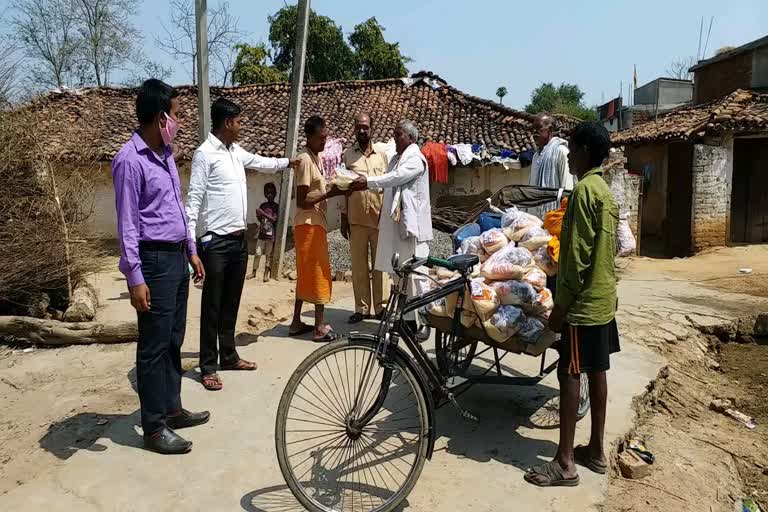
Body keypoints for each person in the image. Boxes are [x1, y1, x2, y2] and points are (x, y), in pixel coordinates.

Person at [112, 79, 208, 455]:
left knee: (173, 339)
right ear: (160, 116)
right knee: (152, 346)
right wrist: (134, 276)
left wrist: (191, 249)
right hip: (151, 259)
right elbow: (127, 225)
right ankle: (153, 428)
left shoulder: (165, 153)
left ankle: (172, 408)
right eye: (178, 114)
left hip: (175, 256)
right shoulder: (129, 161)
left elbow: (176, 208)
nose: (180, 122)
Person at [524, 122, 620, 487]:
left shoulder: (582, 192)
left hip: (581, 305)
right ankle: (595, 450)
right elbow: (608, 252)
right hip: (603, 301)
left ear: (582, 151)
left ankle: (565, 462)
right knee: (598, 371)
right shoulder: (605, 192)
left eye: (572, 149)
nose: (569, 156)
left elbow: (576, 259)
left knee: (570, 372)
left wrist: (560, 308)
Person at [186, 97, 298, 391]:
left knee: (231, 302)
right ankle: (208, 365)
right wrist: (191, 247)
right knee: (212, 305)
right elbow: (194, 201)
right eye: (238, 123)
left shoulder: (235, 152)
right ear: (226, 123)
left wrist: (288, 163)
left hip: (237, 241)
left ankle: (229, 355)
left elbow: (262, 161)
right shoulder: (204, 154)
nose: (240, 127)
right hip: (215, 243)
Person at [351, 119, 431, 341]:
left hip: (412, 228)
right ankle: (405, 320)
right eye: (394, 134)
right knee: (399, 275)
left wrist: (368, 182)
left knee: (416, 276)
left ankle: (424, 322)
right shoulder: (396, 158)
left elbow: (396, 178)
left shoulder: (415, 159)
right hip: (397, 226)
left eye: (399, 135)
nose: (395, 138)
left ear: (411, 138)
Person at [288, 115, 347, 342]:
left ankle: (295, 322)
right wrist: (331, 192)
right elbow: (302, 200)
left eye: (325, 138)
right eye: (321, 138)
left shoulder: (316, 158)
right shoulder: (304, 160)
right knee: (319, 273)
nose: (324, 142)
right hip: (309, 223)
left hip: (314, 223)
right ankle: (319, 326)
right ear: (310, 137)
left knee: (305, 273)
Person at [341, 113, 389, 324]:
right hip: (357, 219)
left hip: (379, 219)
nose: (362, 131)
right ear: (354, 129)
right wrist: (343, 217)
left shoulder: (382, 155)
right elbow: (342, 187)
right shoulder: (347, 156)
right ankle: (361, 308)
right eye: (358, 127)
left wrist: (389, 217)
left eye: (365, 127)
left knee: (380, 266)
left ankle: (380, 308)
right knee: (359, 266)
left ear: (372, 128)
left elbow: (388, 186)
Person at [528, 113, 574, 217]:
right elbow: (531, 187)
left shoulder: (561, 152)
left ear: (550, 129)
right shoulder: (536, 156)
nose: (534, 133)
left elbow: (567, 189)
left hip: (553, 218)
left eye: (539, 129)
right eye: (533, 130)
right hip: (535, 218)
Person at [248, 182, 279, 282]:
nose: (269, 194)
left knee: (268, 255)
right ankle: (253, 272)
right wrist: (258, 215)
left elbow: (274, 220)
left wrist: (263, 213)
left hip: (270, 236)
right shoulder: (263, 205)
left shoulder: (276, 207)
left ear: (275, 193)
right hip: (261, 234)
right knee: (257, 253)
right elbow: (260, 219)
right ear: (265, 194)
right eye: (267, 193)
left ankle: (266, 273)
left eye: (271, 192)